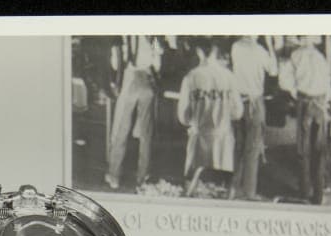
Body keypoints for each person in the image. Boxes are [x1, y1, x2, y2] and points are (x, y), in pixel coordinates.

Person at [176, 37, 244, 183]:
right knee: (219, 188)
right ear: (215, 51)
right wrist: (223, 115)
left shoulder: (191, 77)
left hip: (199, 140)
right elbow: (238, 112)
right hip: (223, 142)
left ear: (199, 52)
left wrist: (196, 120)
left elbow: (183, 117)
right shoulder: (229, 77)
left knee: (197, 186)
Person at [104, 35, 162, 190]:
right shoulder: (153, 36)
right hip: (148, 80)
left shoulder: (124, 35)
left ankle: (114, 175)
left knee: (121, 130)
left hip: (130, 78)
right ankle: (143, 177)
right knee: (146, 133)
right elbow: (158, 64)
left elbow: (116, 64)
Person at [280, 36, 331, 204]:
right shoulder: (321, 57)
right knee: (319, 149)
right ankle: (318, 194)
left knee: (303, 148)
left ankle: (304, 191)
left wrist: (294, 92)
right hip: (321, 103)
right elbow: (328, 86)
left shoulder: (295, 55)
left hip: (305, 101)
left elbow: (283, 81)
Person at [229, 35, 278, 199]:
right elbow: (274, 70)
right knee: (252, 149)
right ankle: (249, 192)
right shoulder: (260, 51)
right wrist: (271, 45)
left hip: (238, 101)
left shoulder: (235, 47)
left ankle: (234, 187)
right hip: (255, 103)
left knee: (238, 146)